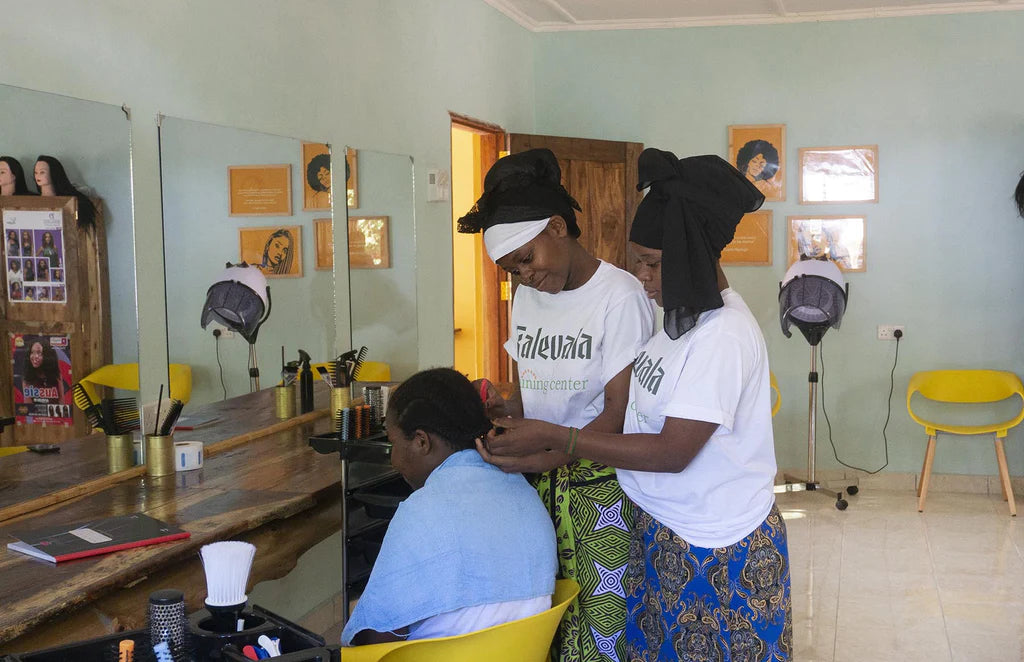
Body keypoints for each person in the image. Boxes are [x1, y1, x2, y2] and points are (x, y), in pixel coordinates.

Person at [481, 149, 792, 661]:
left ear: (692, 256)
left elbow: (672, 451)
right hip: (661, 528)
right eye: (638, 260)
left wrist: (559, 438)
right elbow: (638, 415)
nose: (641, 275)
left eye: (653, 263)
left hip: (717, 544)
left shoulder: (723, 336)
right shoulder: (675, 322)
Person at [457, 148, 655, 661]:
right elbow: (530, 397)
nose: (524, 277)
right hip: (538, 486)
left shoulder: (620, 296)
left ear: (558, 227)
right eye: (511, 270)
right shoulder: (528, 298)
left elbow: (619, 414)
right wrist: (501, 411)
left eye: (527, 259)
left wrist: (549, 453)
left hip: (603, 491)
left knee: (604, 628)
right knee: (547, 623)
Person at [341, 368, 556, 646]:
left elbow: (376, 638)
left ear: (422, 441)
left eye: (393, 443)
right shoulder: (524, 493)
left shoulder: (420, 512)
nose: (393, 460)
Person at [34, 155, 98, 230]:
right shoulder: (32, 201)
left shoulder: (70, 201)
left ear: (53, 173)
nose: (38, 175)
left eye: (42, 172)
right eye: (35, 172)